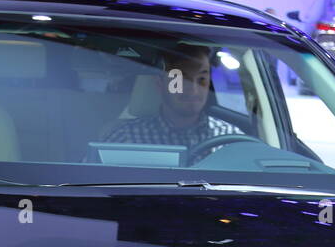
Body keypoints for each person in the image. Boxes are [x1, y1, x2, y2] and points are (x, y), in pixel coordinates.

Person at [100, 44, 242, 163]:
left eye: (201, 79)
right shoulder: (126, 138)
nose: (193, 90)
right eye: (180, 80)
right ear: (160, 84)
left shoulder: (230, 139)